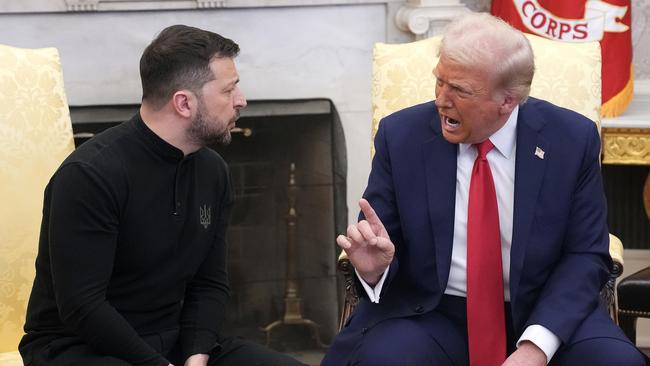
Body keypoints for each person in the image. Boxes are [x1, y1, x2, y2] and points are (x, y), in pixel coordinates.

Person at [323, 12, 646, 366]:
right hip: (431, 312)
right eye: (440, 81)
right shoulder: (402, 136)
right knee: (382, 359)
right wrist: (374, 270)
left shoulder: (571, 139)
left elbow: (585, 254)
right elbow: (377, 240)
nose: (441, 100)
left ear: (507, 100)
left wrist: (536, 347)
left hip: (545, 307)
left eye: (459, 90)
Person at [18, 25, 305, 366]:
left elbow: (209, 283)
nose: (241, 101)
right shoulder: (89, 176)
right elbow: (83, 306)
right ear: (183, 102)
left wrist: (196, 355)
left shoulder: (213, 171)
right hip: (79, 347)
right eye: (229, 90)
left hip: (174, 341)